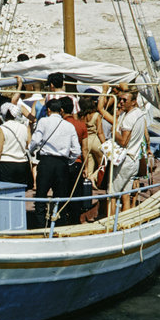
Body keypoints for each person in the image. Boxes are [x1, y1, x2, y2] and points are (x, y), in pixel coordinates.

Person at [28, 98, 81, 228]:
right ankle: (59, 226)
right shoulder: (69, 126)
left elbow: (35, 140)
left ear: (49, 110)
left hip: (46, 162)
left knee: (41, 196)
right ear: (61, 110)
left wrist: (31, 150)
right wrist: (69, 162)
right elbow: (77, 150)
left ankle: (40, 227)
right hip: (62, 164)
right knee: (60, 198)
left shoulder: (44, 121)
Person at [110, 89, 147, 213]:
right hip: (134, 159)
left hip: (125, 160)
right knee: (126, 194)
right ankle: (124, 222)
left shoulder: (129, 118)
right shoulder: (140, 114)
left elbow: (124, 141)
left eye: (124, 100)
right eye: (120, 99)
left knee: (112, 194)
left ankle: (109, 224)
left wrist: (114, 132)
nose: (121, 102)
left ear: (133, 102)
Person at [60, 96, 88, 225]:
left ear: (61, 110)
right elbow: (85, 148)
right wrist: (86, 167)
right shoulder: (81, 125)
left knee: (61, 192)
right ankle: (75, 221)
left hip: (63, 162)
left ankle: (62, 219)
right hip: (77, 163)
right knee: (76, 194)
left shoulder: (60, 125)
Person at [0, 102, 32, 187]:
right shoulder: (24, 127)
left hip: (6, 163)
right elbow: (29, 145)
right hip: (22, 163)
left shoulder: (2, 128)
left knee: (6, 190)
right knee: (20, 190)